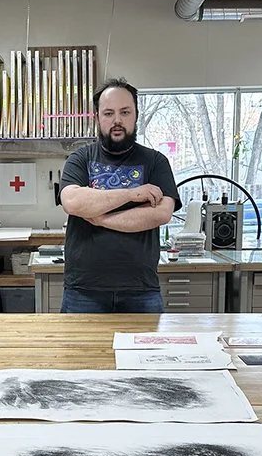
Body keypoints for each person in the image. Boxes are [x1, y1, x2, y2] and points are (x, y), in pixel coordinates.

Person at [58, 78, 182, 313]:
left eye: (125, 112)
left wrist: (100, 218)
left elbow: (162, 213)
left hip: (141, 290)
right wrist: (133, 193)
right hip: (83, 290)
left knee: (148, 352)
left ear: (136, 115)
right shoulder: (80, 158)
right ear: (97, 118)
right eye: (108, 113)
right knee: (80, 352)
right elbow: (73, 201)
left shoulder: (156, 162)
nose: (117, 120)